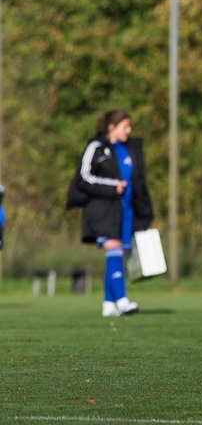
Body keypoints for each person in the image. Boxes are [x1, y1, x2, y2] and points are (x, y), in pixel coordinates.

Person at [69, 109, 155, 317]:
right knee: (113, 251)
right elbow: (83, 177)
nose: (129, 130)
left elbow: (139, 183)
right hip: (103, 210)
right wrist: (112, 186)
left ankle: (108, 305)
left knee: (117, 256)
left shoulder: (129, 150)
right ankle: (123, 300)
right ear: (111, 127)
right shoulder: (96, 148)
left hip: (126, 211)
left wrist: (145, 212)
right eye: (125, 126)